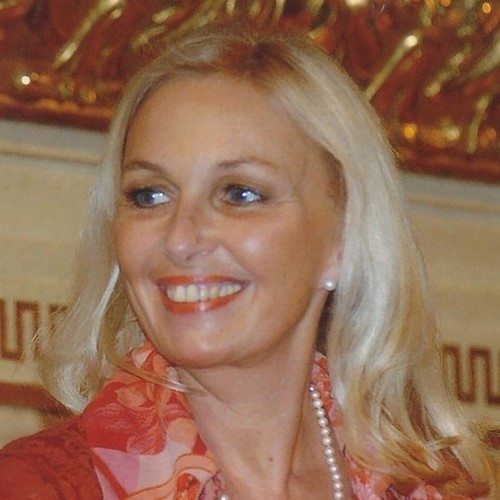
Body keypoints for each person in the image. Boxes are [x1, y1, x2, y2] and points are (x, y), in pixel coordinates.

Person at [0, 22, 495, 499]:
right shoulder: (38, 487)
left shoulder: (437, 486)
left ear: (343, 239)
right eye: (149, 195)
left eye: (239, 193)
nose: (181, 238)